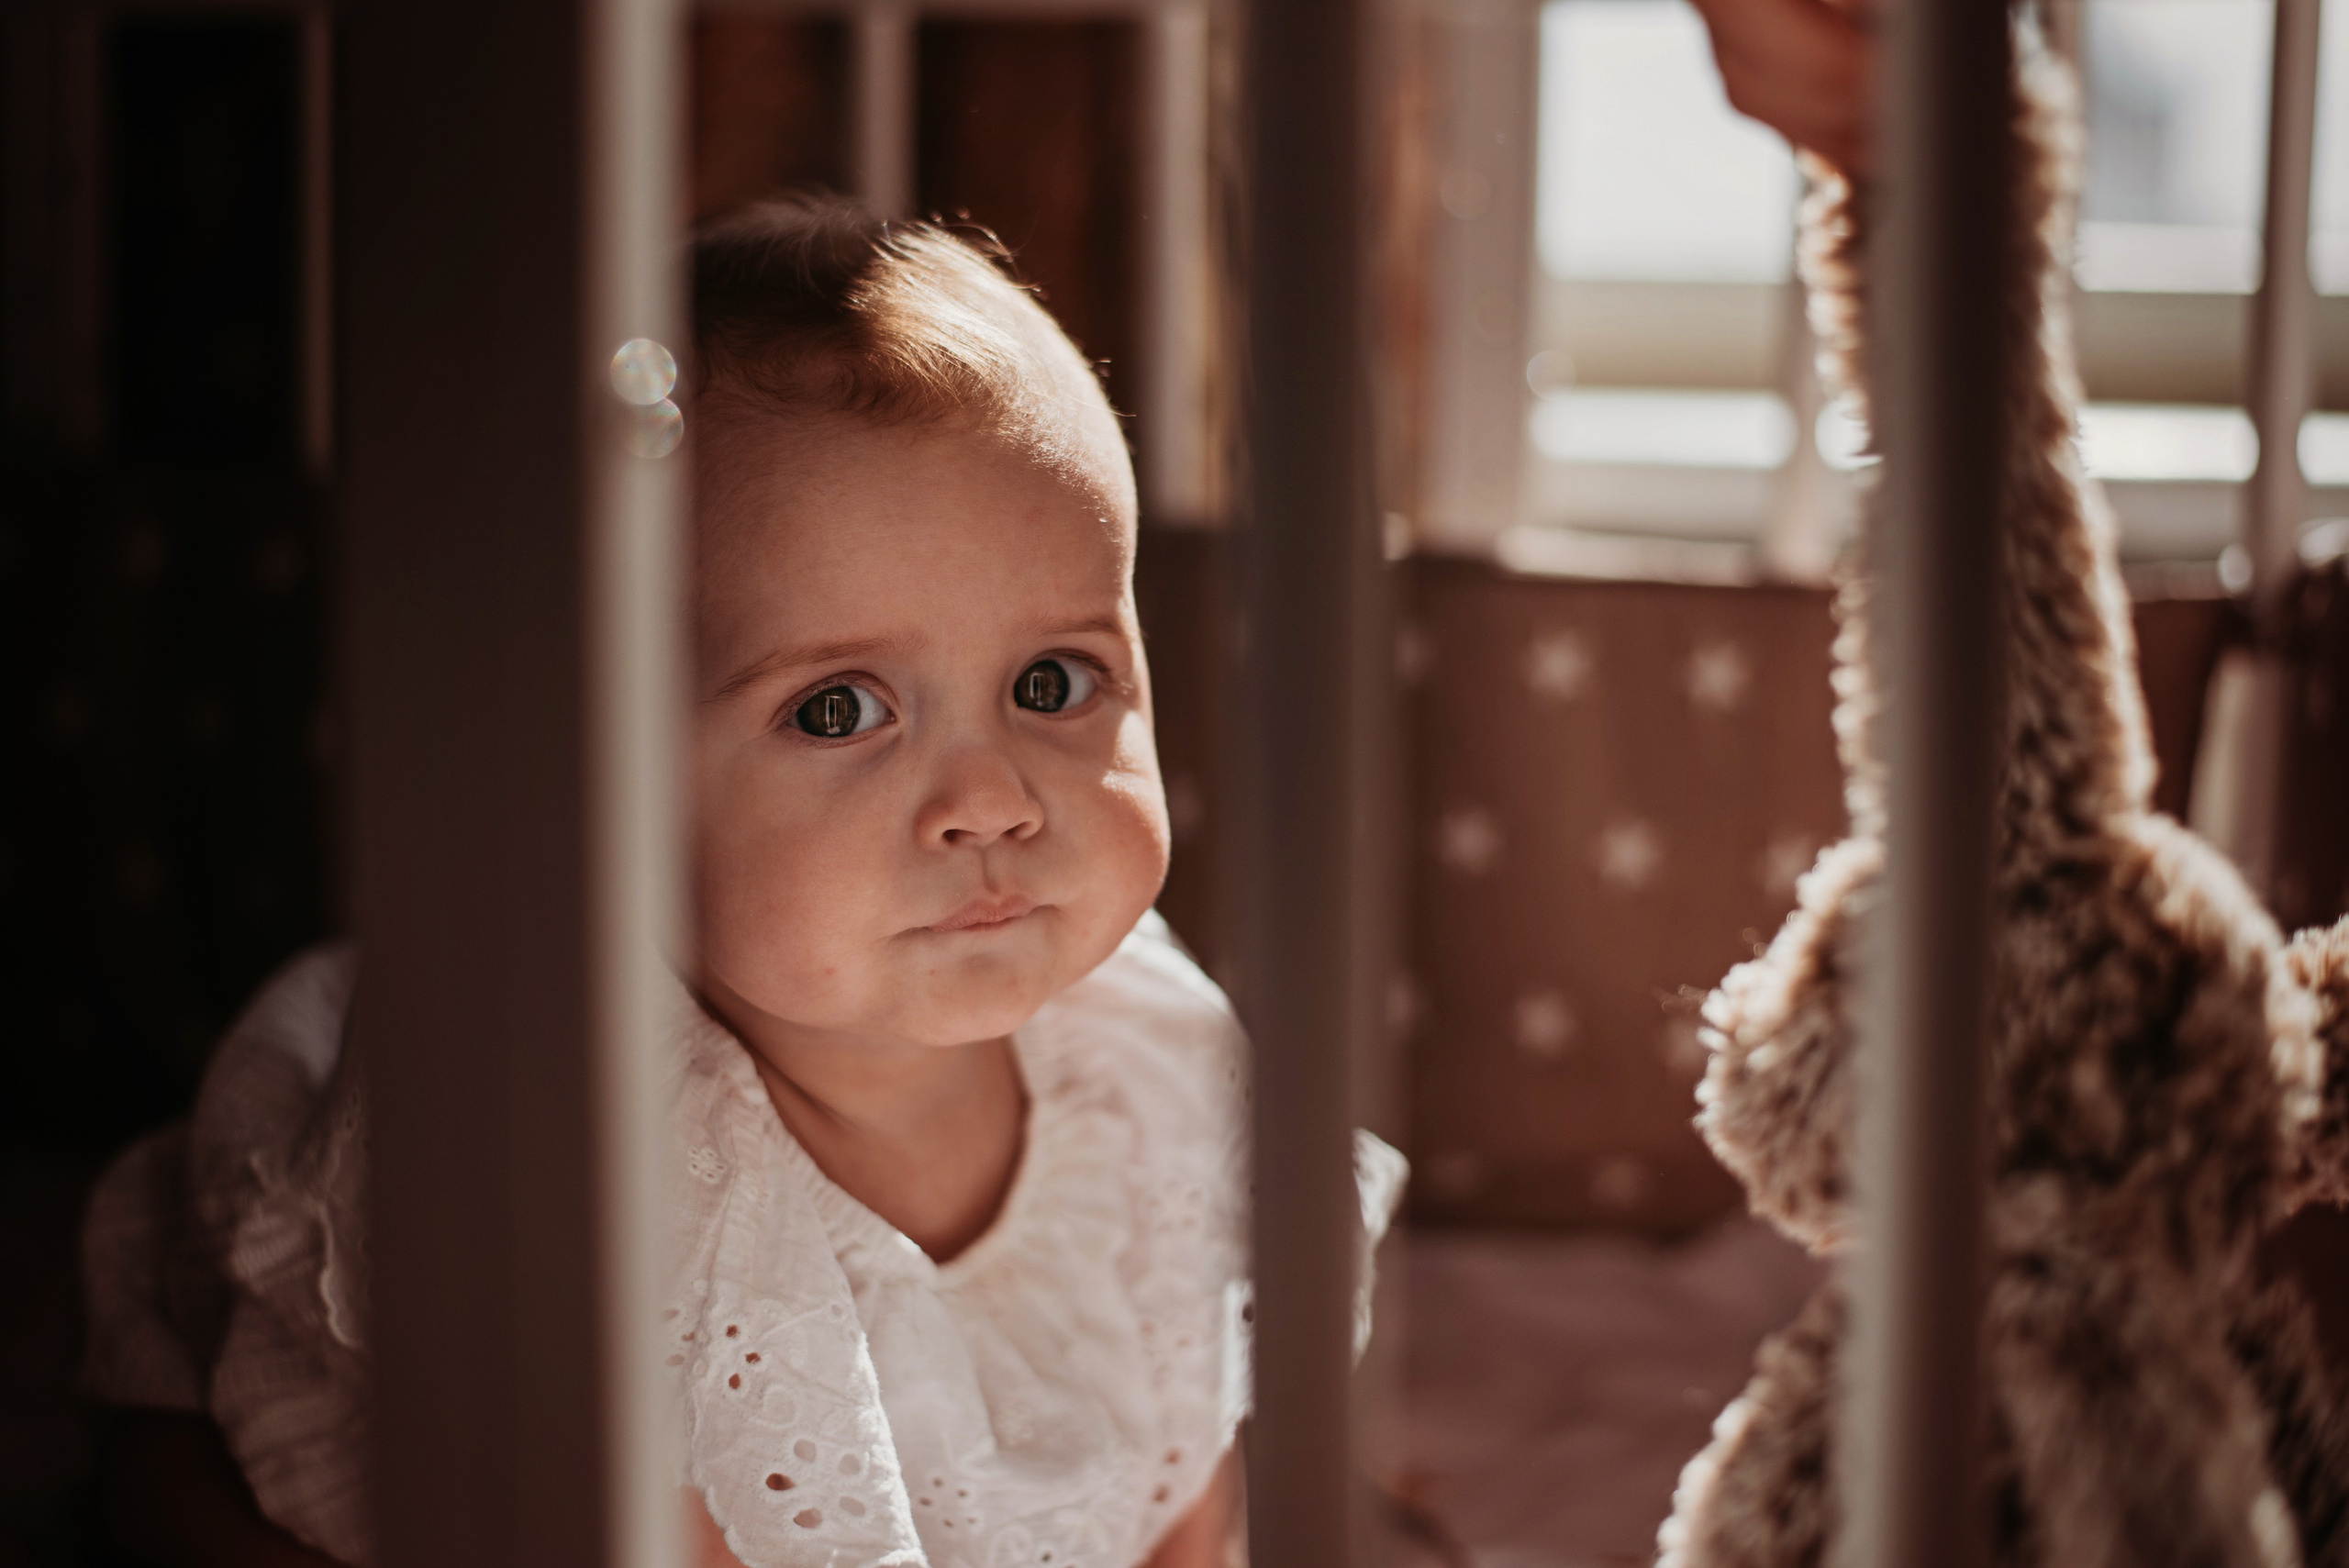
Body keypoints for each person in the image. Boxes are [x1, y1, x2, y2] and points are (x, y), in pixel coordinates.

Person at [76, 2, 1870, 1562]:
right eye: (840, 712)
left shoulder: (1150, 1066)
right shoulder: (585, 1178)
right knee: (190, 1494)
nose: (993, 797)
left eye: (1049, 683)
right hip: (457, 1462)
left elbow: (1185, 1412)